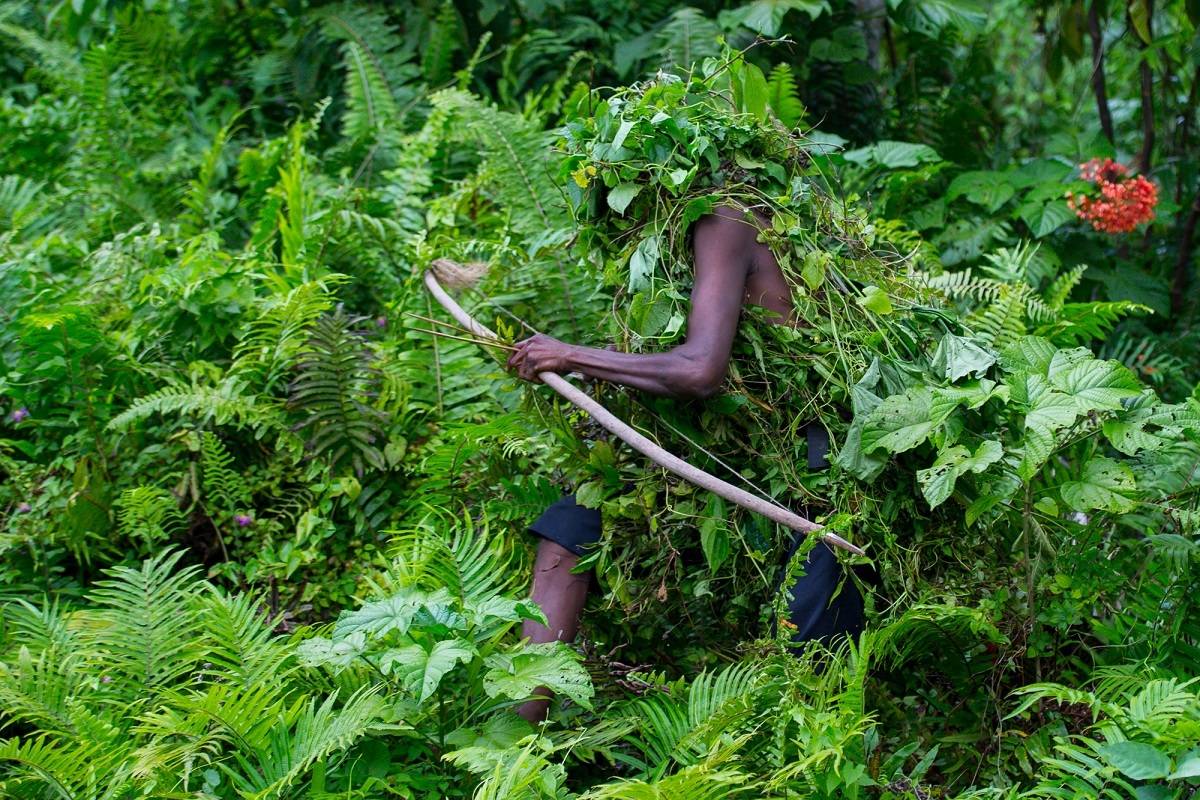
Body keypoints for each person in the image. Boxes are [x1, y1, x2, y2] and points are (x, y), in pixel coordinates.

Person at [506, 204, 865, 723]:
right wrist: (604, 367)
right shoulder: (670, 245)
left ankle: (813, 745)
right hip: (727, 442)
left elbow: (699, 371)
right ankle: (514, 747)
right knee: (570, 527)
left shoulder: (723, 219)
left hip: (804, 449)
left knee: (812, 643)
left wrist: (571, 356)